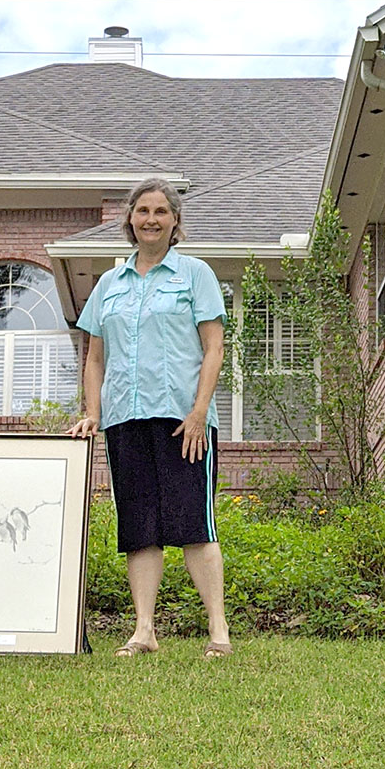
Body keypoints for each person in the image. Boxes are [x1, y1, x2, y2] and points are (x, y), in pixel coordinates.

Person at [71, 177, 231, 658]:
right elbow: (95, 358)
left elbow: (214, 347)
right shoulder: (108, 284)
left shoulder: (194, 275)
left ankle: (218, 632)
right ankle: (144, 631)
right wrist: (93, 413)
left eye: (161, 211)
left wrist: (200, 411)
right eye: (143, 211)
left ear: (175, 222)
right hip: (126, 419)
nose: (151, 219)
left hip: (184, 420)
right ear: (130, 220)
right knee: (139, 527)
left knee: (194, 524)